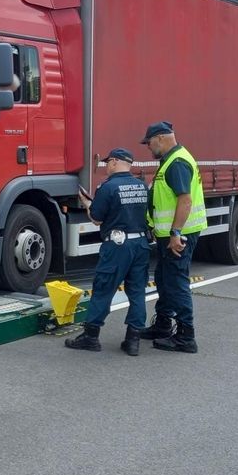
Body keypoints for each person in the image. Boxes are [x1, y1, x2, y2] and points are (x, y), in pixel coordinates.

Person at [65, 148, 150, 355]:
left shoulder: (108, 187)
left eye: (106, 164)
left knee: (103, 289)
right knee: (137, 292)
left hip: (117, 246)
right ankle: (133, 341)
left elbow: (97, 218)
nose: (106, 167)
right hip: (141, 244)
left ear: (113, 162)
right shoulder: (141, 186)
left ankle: (91, 337)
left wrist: (87, 203)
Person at [140, 120, 206, 353]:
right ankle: (163, 324)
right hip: (171, 235)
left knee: (176, 283)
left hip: (180, 236)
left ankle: (186, 336)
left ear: (160, 138)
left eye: (149, 143)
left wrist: (176, 233)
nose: (149, 148)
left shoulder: (176, 162)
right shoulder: (171, 159)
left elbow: (184, 199)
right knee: (164, 278)